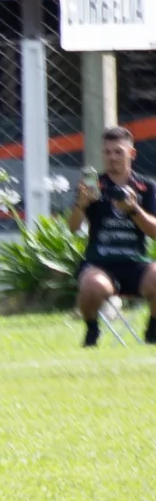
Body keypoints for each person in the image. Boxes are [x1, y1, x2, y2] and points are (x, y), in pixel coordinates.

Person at [68, 125, 156, 347]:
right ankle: (92, 330)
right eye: (107, 152)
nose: (112, 157)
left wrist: (134, 210)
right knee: (91, 286)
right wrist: (80, 204)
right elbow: (73, 227)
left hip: (135, 262)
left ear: (131, 154)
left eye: (118, 152)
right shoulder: (93, 186)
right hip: (100, 262)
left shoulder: (145, 187)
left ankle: (153, 329)